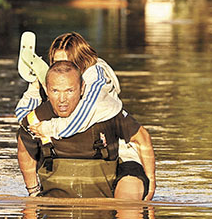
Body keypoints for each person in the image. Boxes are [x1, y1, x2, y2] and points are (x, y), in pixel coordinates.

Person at [17, 60, 155, 200]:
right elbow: (23, 146)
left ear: (82, 88)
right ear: (47, 90)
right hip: (53, 209)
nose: (62, 99)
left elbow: (141, 138)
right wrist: (33, 193)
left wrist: (151, 184)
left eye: (70, 91)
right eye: (55, 91)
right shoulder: (36, 118)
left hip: (105, 207)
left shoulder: (105, 112)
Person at [14, 32, 142, 167]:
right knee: (23, 135)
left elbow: (83, 115)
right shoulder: (56, 76)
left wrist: (46, 128)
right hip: (69, 148)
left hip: (109, 149)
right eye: (58, 63)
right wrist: (35, 85)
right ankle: (36, 186)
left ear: (82, 61)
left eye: (68, 63)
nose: (63, 69)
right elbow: (23, 117)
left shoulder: (97, 77)